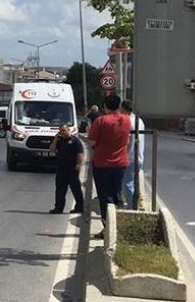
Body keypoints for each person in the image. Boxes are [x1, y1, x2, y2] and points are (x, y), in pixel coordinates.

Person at [87, 94, 131, 238]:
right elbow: (128, 141)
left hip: (102, 164)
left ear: (105, 106)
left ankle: (108, 229)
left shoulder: (100, 121)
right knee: (117, 194)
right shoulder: (126, 120)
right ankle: (118, 226)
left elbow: (92, 142)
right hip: (121, 163)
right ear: (119, 106)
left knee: (105, 197)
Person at [48, 124, 85, 214]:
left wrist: (78, 164)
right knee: (60, 190)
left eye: (64, 130)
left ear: (69, 130)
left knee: (76, 189)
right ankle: (58, 208)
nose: (62, 132)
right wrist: (56, 139)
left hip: (72, 169)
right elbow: (52, 149)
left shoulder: (75, 141)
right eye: (60, 131)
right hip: (61, 169)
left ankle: (79, 207)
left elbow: (80, 153)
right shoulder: (59, 141)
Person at [120, 100, 145, 209]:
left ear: (123, 109)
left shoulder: (127, 121)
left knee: (127, 185)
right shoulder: (139, 120)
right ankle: (135, 204)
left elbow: (127, 141)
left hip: (129, 158)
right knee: (133, 184)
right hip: (139, 157)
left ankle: (132, 209)